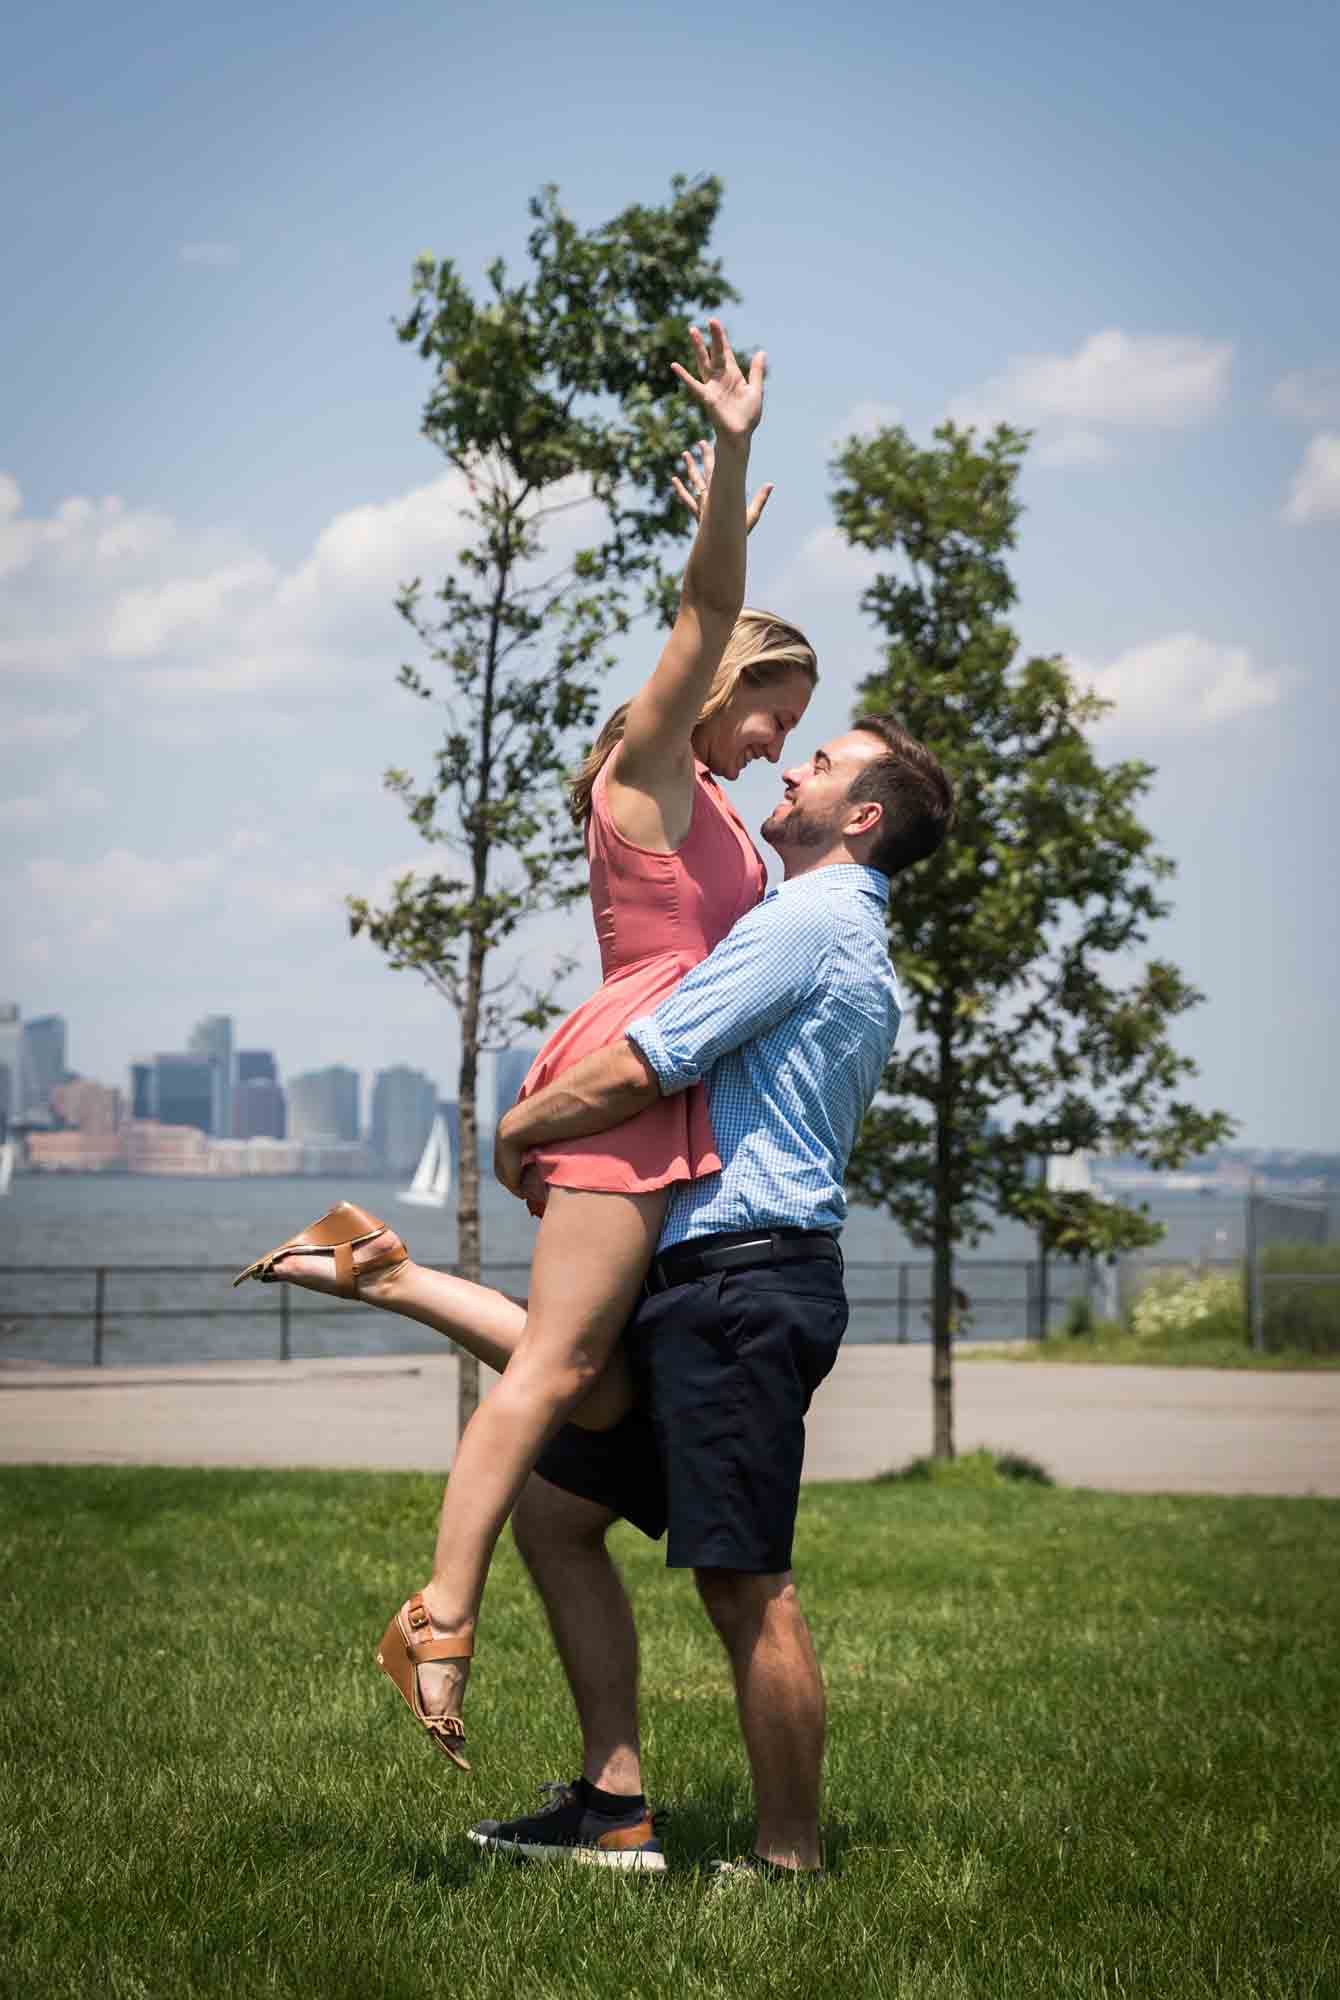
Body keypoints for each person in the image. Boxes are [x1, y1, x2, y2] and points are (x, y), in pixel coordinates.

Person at [234, 321, 818, 1767]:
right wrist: (734, 453)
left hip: (671, 1074)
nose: (775, 741)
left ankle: (380, 1266)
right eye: (771, 711)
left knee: (598, 1373)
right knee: (561, 1378)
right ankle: (439, 1615)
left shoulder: (721, 808)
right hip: (636, 1081)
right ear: (720, 687)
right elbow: (700, 619)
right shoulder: (655, 770)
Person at [467, 714, 953, 1879]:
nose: (793, 766)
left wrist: (522, 1124)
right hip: (713, 1282)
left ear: (863, 816)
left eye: (822, 763)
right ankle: (612, 1805)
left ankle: (788, 1859)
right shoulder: (826, 925)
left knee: (744, 1578)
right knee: (555, 1513)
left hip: (740, 1283)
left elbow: (656, 1051)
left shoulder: (807, 922)